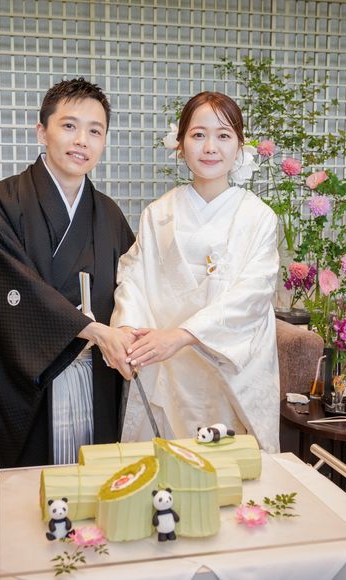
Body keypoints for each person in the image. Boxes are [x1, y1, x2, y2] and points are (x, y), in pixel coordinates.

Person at [0, 78, 135, 475]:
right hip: (29, 380)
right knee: (32, 495)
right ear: (42, 131)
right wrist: (92, 330)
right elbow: (8, 287)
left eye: (95, 131)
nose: (82, 141)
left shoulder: (108, 213)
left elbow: (135, 284)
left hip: (97, 376)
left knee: (94, 484)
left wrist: (132, 331)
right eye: (69, 126)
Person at [111, 91, 280, 453]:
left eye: (223, 135)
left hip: (229, 369)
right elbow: (134, 277)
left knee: (230, 471)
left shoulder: (258, 217)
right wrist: (127, 328)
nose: (210, 147)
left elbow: (253, 293)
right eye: (198, 134)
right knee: (167, 471)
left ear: (239, 146)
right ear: (181, 144)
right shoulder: (159, 213)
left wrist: (182, 335)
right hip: (167, 367)